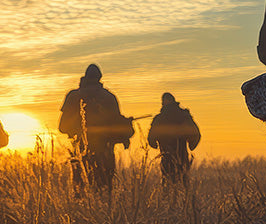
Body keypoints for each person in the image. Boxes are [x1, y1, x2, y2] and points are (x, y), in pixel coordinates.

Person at [58, 64, 134, 192]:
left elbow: (62, 127)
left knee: (81, 194)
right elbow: (118, 127)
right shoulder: (109, 97)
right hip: (105, 152)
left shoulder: (73, 96)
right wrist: (125, 123)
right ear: (99, 77)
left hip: (80, 153)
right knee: (104, 192)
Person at [147, 92, 201, 185]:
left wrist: (154, 144)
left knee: (167, 183)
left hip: (166, 156)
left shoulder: (160, 118)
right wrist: (191, 145)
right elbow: (195, 134)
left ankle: (168, 199)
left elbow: (151, 137)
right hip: (182, 155)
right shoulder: (183, 116)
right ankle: (184, 199)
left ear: (165, 102)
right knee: (183, 183)